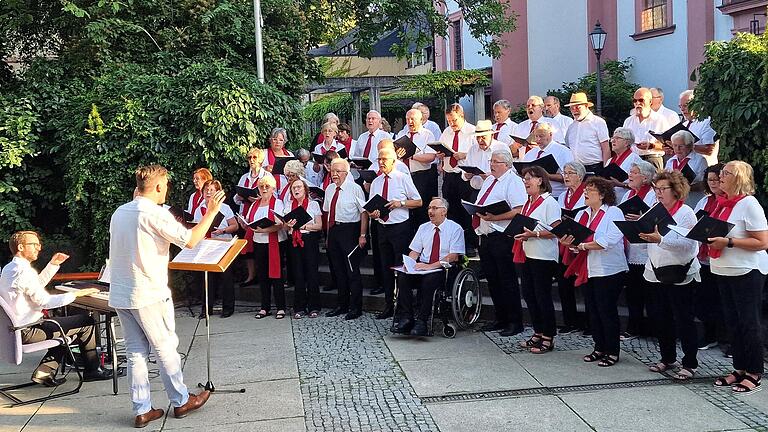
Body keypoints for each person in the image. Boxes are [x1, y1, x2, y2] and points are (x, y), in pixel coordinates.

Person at [109, 165, 219, 427]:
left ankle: (142, 409)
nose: (167, 189)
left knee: (136, 351)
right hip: (148, 292)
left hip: (122, 291)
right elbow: (190, 240)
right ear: (158, 186)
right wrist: (211, 213)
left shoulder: (119, 212)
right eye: (166, 185)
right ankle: (181, 401)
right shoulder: (154, 214)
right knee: (165, 347)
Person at [0, 231, 113, 387]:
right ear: (20, 246)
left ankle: (45, 371)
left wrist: (53, 265)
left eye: (39, 245)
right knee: (86, 322)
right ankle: (93, 371)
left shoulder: (9, 268)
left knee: (65, 327)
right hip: (29, 330)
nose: (38, 248)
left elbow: (35, 286)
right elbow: (45, 302)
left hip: (17, 329)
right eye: (34, 244)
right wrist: (77, 294)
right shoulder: (23, 271)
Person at [708, 161, 768, 393]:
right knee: (732, 322)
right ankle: (739, 368)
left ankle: (754, 371)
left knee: (748, 323)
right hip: (724, 269)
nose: (720, 176)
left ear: (739, 178)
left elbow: (762, 242)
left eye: (726, 173)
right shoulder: (721, 203)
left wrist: (729, 242)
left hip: (746, 271)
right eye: (721, 172)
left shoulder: (748, 204)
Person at [558, 177, 627, 367]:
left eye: (590, 190)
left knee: (607, 310)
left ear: (603, 195)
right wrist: (570, 243)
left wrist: (580, 245)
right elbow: (575, 240)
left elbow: (608, 241)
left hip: (609, 269)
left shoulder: (614, 212)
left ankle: (612, 351)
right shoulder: (582, 214)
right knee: (593, 310)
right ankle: (599, 347)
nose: (585, 193)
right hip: (587, 268)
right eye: (585, 190)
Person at [639, 170, 700, 380]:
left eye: (663, 189)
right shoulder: (654, 210)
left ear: (676, 190)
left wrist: (660, 240)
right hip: (655, 270)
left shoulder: (686, 213)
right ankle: (667, 357)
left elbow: (688, 244)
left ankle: (690, 362)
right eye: (656, 189)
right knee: (660, 317)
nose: (658, 193)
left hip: (680, 272)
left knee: (683, 319)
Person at [392, 198, 465, 336]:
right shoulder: (423, 227)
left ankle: (422, 321)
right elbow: (414, 251)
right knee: (403, 277)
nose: (430, 211)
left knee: (429, 280)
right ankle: (407, 317)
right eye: (429, 208)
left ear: (444, 211)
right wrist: (410, 264)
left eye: (434, 208)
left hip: (443, 268)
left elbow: (453, 256)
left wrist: (430, 266)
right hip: (423, 267)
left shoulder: (455, 228)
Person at [475, 150, 526, 336]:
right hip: (486, 235)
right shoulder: (489, 180)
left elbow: (519, 209)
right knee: (493, 280)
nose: (492, 164)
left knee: (507, 280)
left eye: (496, 162)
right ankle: (500, 317)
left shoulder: (513, 181)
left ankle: (514, 321)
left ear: (507, 164)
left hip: (502, 236)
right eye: (491, 161)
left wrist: (496, 217)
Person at [368, 147, 422, 319]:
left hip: (400, 227)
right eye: (379, 159)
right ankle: (388, 305)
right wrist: (373, 213)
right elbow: (371, 206)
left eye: (385, 159)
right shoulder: (376, 182)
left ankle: (404, 308)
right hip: (382, 227)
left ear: (393, 161)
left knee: (402, 268)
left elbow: (419, 201)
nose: (381, 162)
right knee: (385, 268)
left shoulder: (402, 178)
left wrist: (401, 203)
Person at [512, 166, 561, 353]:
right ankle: (538, 331)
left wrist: (536, 234)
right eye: (524, 179)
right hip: (528, 253)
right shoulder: (528, 202)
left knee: (542, 296)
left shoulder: (549, 202)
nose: (525, 182)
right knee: (530, 295)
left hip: (543, 256)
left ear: (540, 180)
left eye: (529, 178)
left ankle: (548, 336)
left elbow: (557, 230)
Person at [324, 158, 369, 319]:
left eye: (338, 171)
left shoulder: (355, 189)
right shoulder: (329, 189)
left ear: (346, 172)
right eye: (332, 171)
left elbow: (364, 212)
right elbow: (328, 213)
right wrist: (328, 237)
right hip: (334, 230)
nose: (334, 174)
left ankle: (355, 307)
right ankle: (341, 305)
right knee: (338, 270)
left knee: (352, 271)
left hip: (350, 230)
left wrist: (362, 234)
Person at [619, 160, 658, 339]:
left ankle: (651, 328)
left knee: (648, 293)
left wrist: (642, 217)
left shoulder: (652, 194)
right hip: (630, 246)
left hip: (645, 248)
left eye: (634, 172)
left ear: (645, 177)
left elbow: (658, 218)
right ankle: (633, 326)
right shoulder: (628, 194)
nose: (630, 174)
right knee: (633, 292)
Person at [239, 176, 286, 320]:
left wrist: (265, 230)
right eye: (261, 186)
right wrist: (244, 223)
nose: (264, 189)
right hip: (259, 243)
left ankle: (281, 307)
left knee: (276, 275)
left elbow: (281, 224)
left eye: (267, 186)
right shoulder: (254, 205)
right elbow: (250, 222)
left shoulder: (277, 203)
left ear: (273, 188)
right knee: (263, 276)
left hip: (275, 242)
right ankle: (264, 307)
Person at [192, 180, 239, 318]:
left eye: (212, 190)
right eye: (206, 189)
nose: (208, 192)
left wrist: (222, 230)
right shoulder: (199, 208)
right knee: (207, 278)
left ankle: (228, 308)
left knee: (226, 277)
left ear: (217, 193)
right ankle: (206, 309)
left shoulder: (224, 208)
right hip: (206, 246)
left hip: (223, 245)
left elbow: (235, 226)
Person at [692, 164, 726, 350]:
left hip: (723, 256)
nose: (712, 183)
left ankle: (727, 339)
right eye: (709, 180)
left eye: (716, 180)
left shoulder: (729, 201)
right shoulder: (704, 201)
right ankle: (709, 335)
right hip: (704, 258)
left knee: (723, 300)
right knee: (706, 299)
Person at [438, 104, 476, 254]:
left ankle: (470, 244)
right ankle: (454, 243)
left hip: (464, 176)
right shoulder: (446, 132)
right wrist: (440, 155)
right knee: (451, 210)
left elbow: (478, 152)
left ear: (462, 116)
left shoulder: (472, 132)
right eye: (448, 121)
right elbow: (441, 149)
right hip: (450, 175)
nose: (451, 124)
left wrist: (464, 154)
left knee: (466, 211)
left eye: (454, 120)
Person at [283, 178, 323, 319]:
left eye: (299, 187)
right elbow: (284, 226)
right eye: (294, 188)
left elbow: (319, 226)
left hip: (309, 239)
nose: (296, 190)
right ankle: (299, 307)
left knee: (311, 273)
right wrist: (288, 225)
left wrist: (304, 226)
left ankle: (314, 306)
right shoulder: (288, 205)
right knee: (298, 274)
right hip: (294, 240)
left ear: (305, 189)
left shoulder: (313, 205)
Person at [557, 161, 588, 334]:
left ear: (580, 176)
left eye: (570, 173)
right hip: (565, 242)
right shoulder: (563, 196)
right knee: (564, 283)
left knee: (585, 284)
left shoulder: (587, 193)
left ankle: (590, 322)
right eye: (564, 173)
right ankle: (570, 321)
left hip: (583, 241)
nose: (566, 176)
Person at [235, 148, 274, 286]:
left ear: (261, 160)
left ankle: (266, 275)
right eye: (249, 157)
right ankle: (251, 276)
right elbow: (236, 199)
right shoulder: (244, 177)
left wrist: (259, 198)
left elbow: (273, 195)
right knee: (247, 249)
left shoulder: (266, 176)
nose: (251, 160)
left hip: (261, 212)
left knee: (261, 245)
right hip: (246, 213)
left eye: (255, 157)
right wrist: (240, 197)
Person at [395, 108, 437, 228]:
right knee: (406, 207)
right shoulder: (401, 134)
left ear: (421, 120)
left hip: (421, 176)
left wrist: (412, 155)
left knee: (422, 209)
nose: (409, 122)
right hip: (403, 175)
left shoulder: (427, 135)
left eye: (412, 119)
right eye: (407, 119)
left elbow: (431, 157)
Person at [519, 122, 574, 198]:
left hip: (555, 195)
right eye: (536, 136)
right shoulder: (530, 153)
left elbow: (570, 177)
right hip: (534, 196)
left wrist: (547, 176)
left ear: (550, 134)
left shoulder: (563, 151)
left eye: (541, 136)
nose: (538, 140)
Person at [622, 87, 671, 170]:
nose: (637, 103)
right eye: (635, 101)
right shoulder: (628, 121)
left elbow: (669, 145)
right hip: (633, 159)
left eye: (641, 100)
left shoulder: (660, 120)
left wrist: (651, 145)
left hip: (652, 159)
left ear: (650, 101)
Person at [564, 92, 610, 172]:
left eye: (578, 107)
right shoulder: (571, 126)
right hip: (576, 169)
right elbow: (568, 147)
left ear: (586, 106)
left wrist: (606, 170)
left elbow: (606, 148)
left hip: (594, 167)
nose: (575, 110)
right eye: (572, 108)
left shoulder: (598, 122)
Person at [664, 130, 708, 205]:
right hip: (674, 202)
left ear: (690, 145)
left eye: (681, 146)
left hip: (693, 201)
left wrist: (685, 188)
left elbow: (705, 184)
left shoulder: (699, 160)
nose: (677, 149)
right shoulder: (671, 161)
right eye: (675, 145)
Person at [679, 89, 718, 166]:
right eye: (680, 106)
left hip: (702, 167)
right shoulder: (684, 124)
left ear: (697, 105)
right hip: (684, 167)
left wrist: (687, 146)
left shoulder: (706, 122)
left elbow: (709, 149)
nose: (682, 109)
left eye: (685, 105)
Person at [605, 127, 642, 199]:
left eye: (617, 138)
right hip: (609, 198)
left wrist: (620, 184)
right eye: (612, 138)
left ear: (627, 142)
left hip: (625, 198)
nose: (613, 141)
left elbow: (640, 184)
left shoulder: (635, 159)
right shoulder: (609, 161)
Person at [262, 127, 294, 198]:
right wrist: (264, 169)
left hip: (286, 188)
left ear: (284, 142)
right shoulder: (263, 154)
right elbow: (255, 170)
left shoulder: (290, 155)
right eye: (275, 139)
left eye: (281, 140)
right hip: (269, 187)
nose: (277, 142)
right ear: (270, 140)